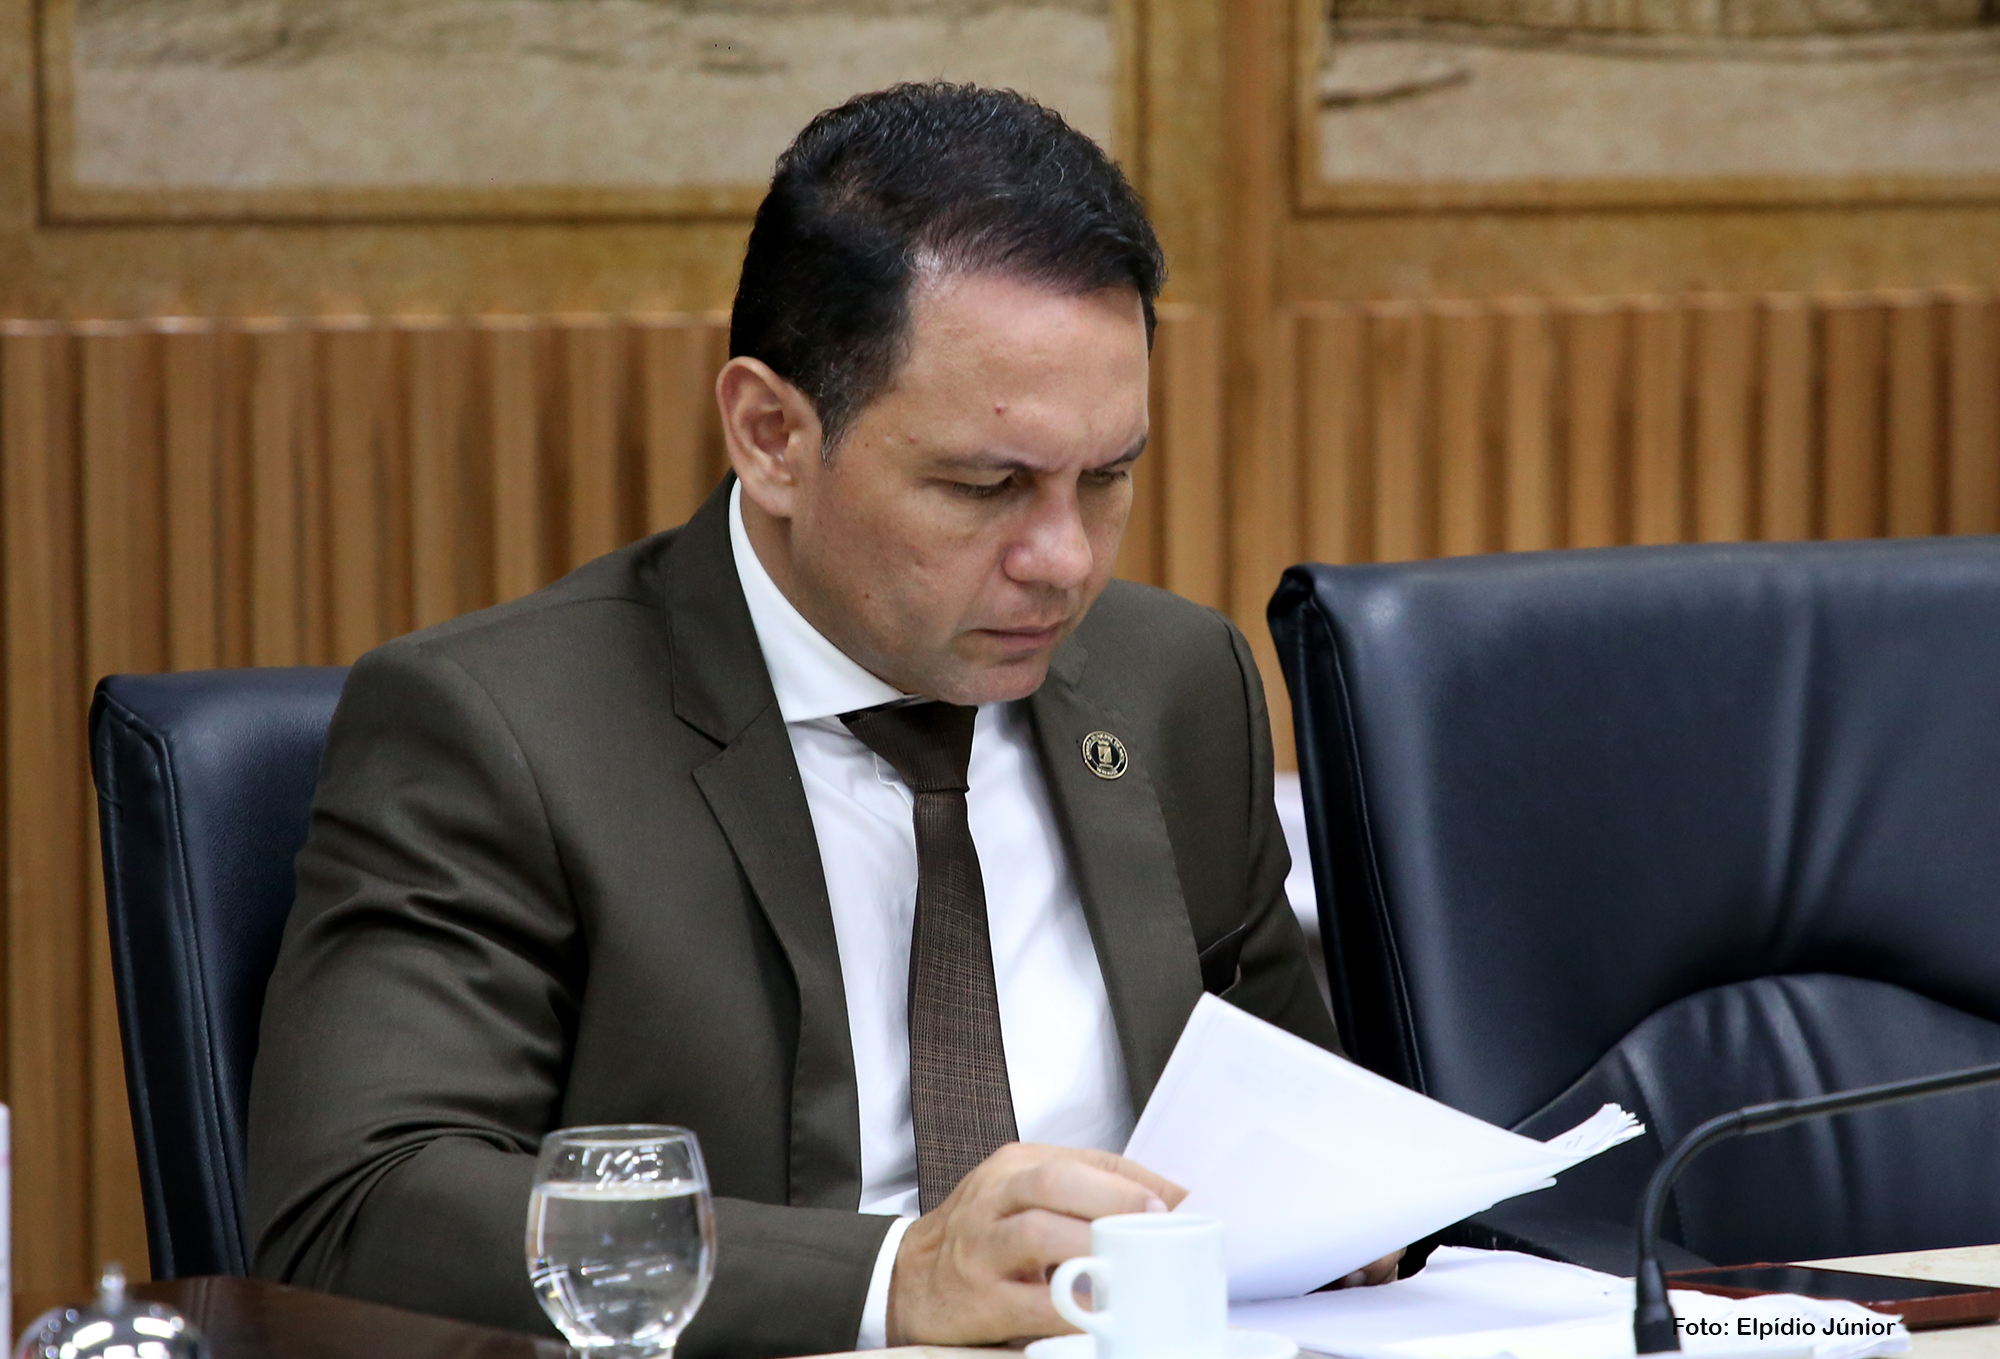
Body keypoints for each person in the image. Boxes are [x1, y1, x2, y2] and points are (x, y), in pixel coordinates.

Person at [245, 81, 1397, 1359]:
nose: (1064, 561)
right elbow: (356, 1208)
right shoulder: (501, 730)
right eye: (985, 485)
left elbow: (1303, 1125)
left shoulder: (1172, 680)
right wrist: (896, 1278)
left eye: (1106, 476)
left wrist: (1349, 1209)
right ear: (771, 436)